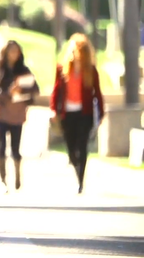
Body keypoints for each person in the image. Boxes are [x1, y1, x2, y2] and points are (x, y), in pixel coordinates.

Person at [50, 33, 104, 194]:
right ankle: (76, 166)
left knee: (82, 145)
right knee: (71, 147)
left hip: (84, 113)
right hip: (68, 113)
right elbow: (56, 91)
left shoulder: (91, 70)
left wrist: (101, 114)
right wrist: (53, 109)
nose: (75, 53)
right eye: (73, 50)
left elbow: (97, 93)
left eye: (79, 50)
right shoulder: (62, 68)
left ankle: (81, 180)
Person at [0, 40, 40, 192]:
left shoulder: (24, 71)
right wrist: (6, 93)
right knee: (2, 148)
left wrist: (21, 92)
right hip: (3, 113)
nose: (13, 54)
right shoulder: (0, 70)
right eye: (11, 51)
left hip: (18, 114)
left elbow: (35, 90)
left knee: (16, 149)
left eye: (16, 51)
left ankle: (17, 176)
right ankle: (3, 179)